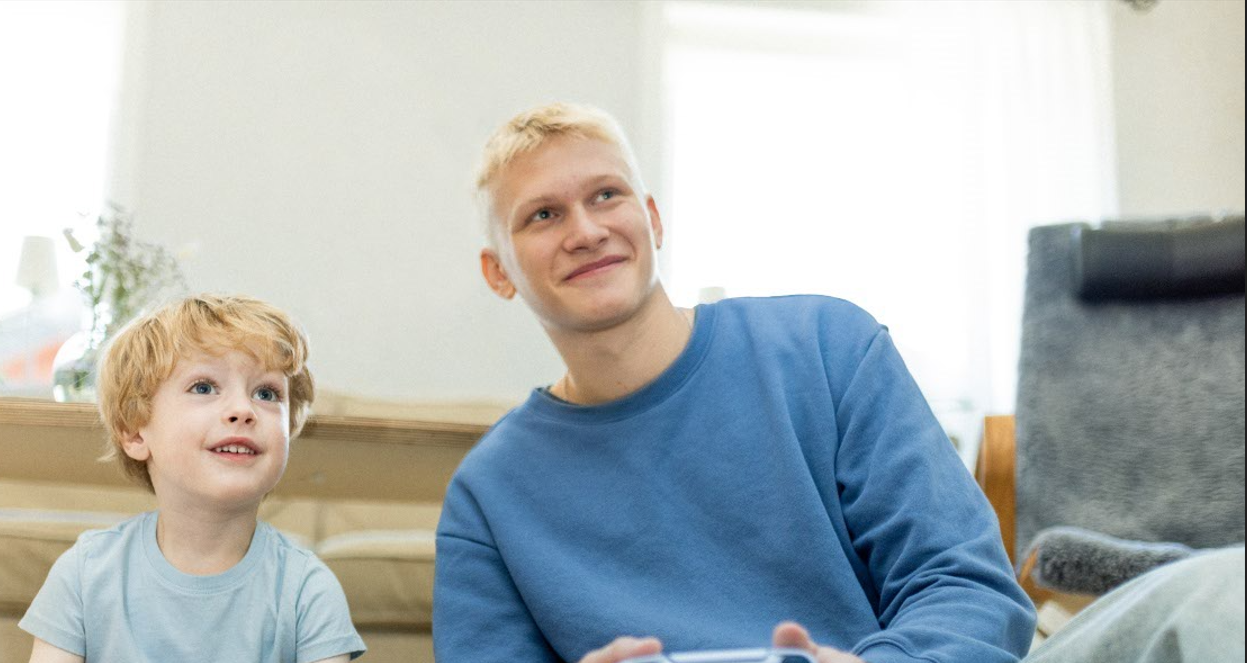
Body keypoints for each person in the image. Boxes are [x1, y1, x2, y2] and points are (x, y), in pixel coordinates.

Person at [431, 102, 1036, 663]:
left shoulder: (830, 348)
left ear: (654, 219)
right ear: (498, 273)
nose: (586, 231)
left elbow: (967, 589)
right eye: (543, 214)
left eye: (607, 195)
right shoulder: (487, 497)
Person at [20, 294, 366, 663]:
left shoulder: (307, 589)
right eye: (204, 387)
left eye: (266, 393)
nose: (242, 410)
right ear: (136, 433)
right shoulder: (85, 573)